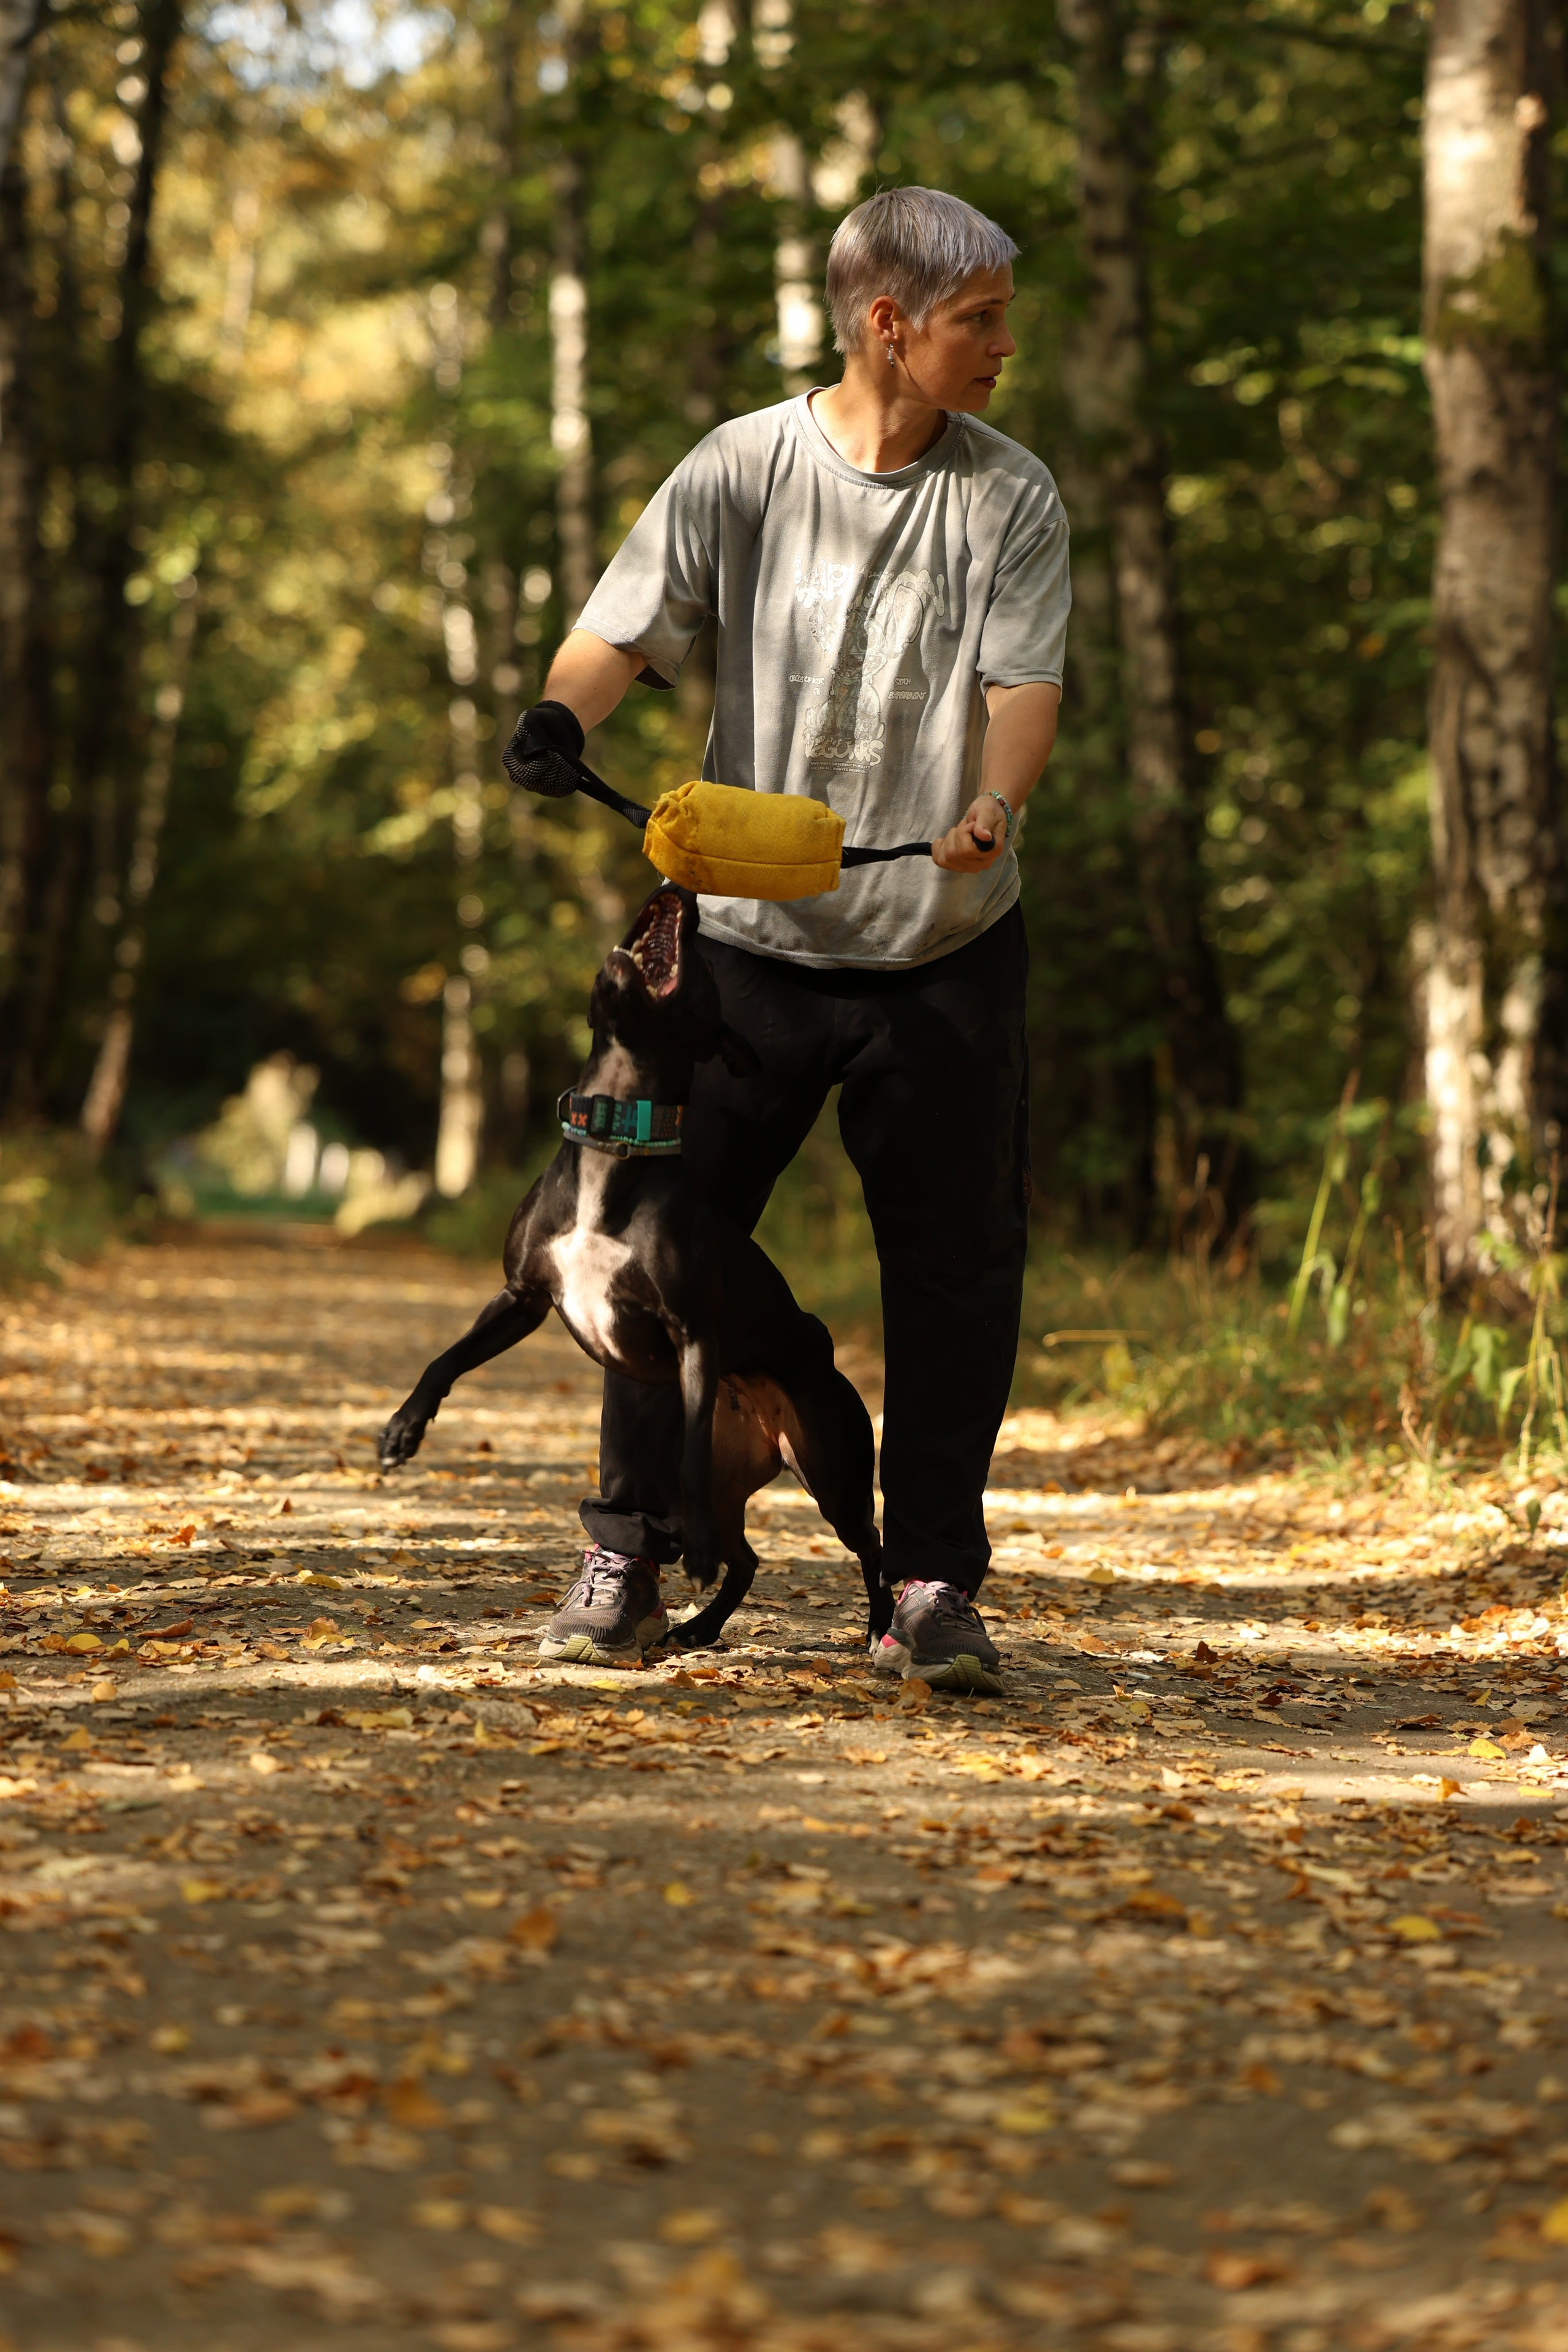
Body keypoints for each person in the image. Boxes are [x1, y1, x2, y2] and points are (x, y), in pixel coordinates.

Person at [508, 186, 1069, 1694]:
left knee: (955, 1275)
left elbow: (1021, 689)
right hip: (742, 963)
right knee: (648, 1263)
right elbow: (623, 622)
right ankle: (625, 1554)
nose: (1004, 349)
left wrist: (992, 810)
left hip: (945, 951)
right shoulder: (742, 469)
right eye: (980, 323)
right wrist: (566, 714)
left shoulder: (1009, 497)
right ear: (888, 325)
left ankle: (930, 1587)